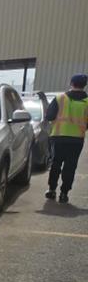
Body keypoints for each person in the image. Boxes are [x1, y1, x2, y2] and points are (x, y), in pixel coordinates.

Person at [45, 74, 88, 203]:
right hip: (76, 139)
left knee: (56, 164)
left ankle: (52, 190)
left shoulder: (60, 98)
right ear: (85, 85)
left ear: (71, 83)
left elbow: (50, 116)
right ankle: (64, 193)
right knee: (71, 166)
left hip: (59, 137)